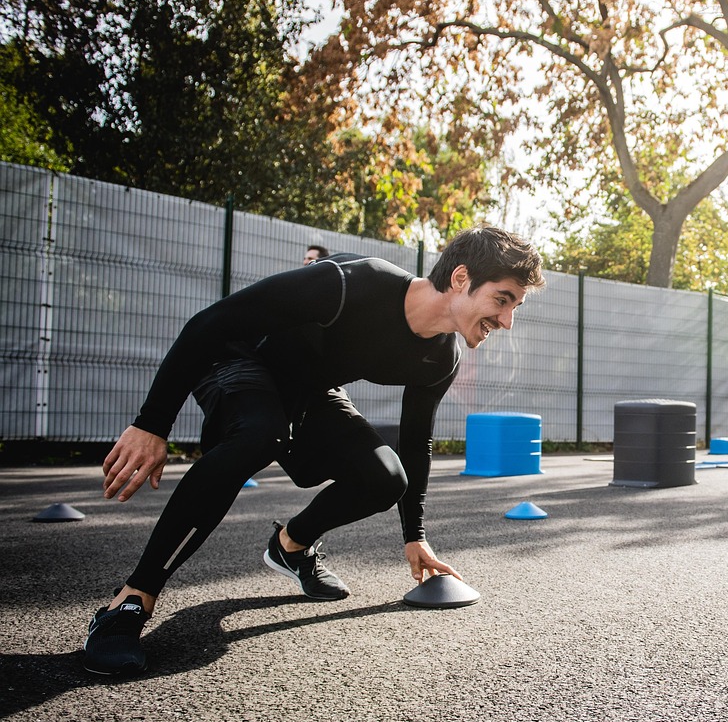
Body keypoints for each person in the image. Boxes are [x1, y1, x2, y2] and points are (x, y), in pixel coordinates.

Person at [84, 226, 545, 676]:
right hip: (240, 361)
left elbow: (415, 441)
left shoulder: (440, 358)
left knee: (386, 477)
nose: (507, 321)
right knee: (257, 435)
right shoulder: (350, 283)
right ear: (461, 278)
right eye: (502, 300)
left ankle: (290, 547)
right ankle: (130, 601)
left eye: (515, 307)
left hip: (308, 389)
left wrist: (415, 535)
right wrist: (151, 424)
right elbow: (209, 324)